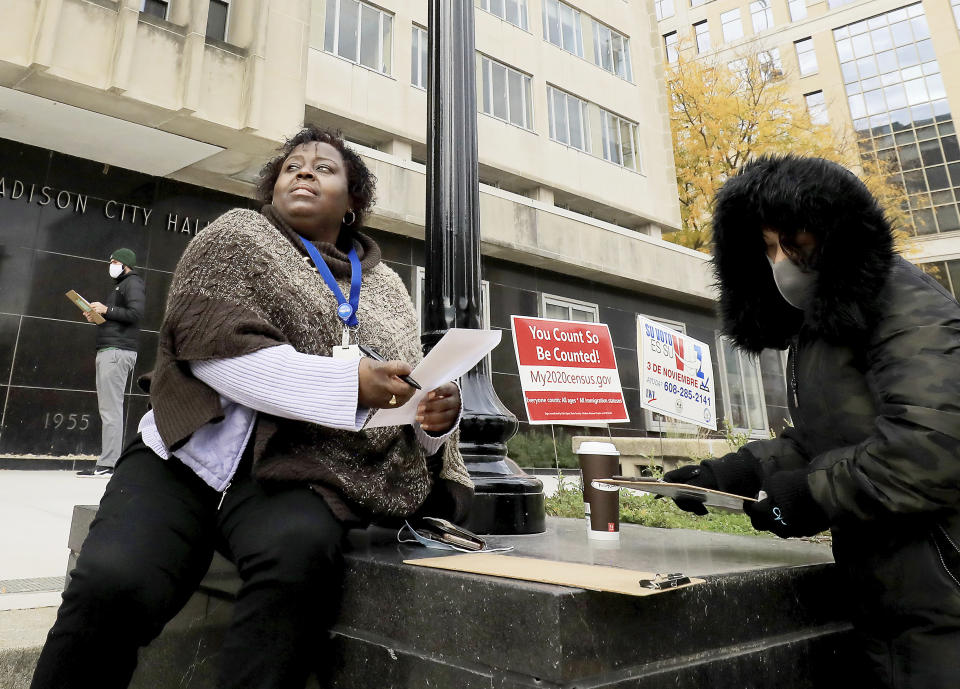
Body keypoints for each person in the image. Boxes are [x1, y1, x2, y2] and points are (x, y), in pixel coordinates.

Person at [32, 126, 473, 688]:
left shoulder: (388, 288)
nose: (304, 172)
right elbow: (212, 354)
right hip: (186, 456)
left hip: (299, 470)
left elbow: (404, 393)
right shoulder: (236, 237)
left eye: (324, 168)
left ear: (354, 202)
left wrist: (435, 420)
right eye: (292, 166)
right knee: (114, 583)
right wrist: (348, 385)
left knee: (299, 562)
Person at [663, 154, 960, 688]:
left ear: (834, 233)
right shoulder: (818, 328)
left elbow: (932, 448)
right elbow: (821, 438)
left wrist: (810, 496)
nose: (781, 261)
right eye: (769, 248)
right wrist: (733, 475)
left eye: (793, 243)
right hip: (889, 597)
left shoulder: (906, 304)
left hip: (945, 594)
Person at [77, 248, 145, 477]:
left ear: (126, 264)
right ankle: (107, 462)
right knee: (109, 408)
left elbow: (136, 313)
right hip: (111, 349)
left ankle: (108, 464)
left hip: (117, 352)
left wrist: (107, 309)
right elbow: (121, 318)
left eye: (115, 262)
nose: (112, 265)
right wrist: (99, 317)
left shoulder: (132, 283)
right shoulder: (121, 285)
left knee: (110, 409)